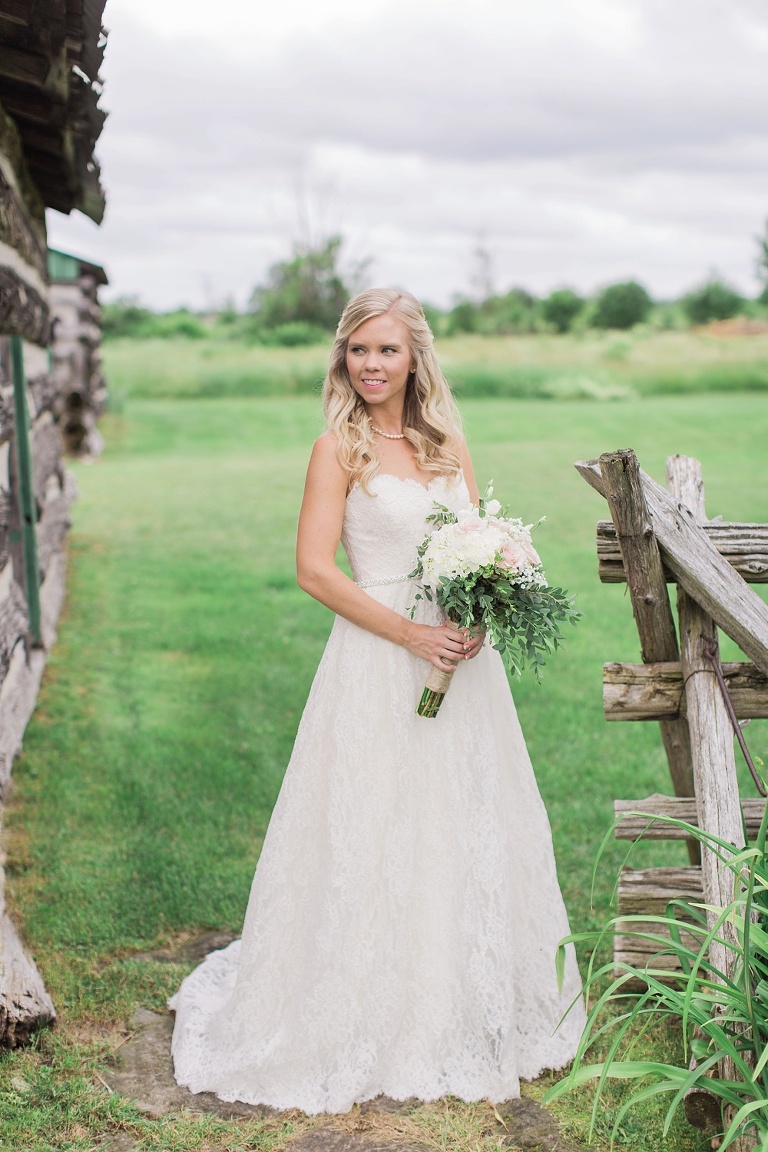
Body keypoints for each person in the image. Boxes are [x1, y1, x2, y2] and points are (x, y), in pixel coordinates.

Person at [169, 288, 585, 1114]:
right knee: (372, 822)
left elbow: (482, 544)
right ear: (343, 358)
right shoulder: (338, 450)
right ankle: (359, 1006)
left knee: (457, 820)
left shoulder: (448, 444)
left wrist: (478, 616)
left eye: (386, 351)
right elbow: (315, 570)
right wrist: (409, 635)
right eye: (358, 351)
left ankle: (457, 1003)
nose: (370, 366)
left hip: (461, 669)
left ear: (414, 358)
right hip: (375, 656)